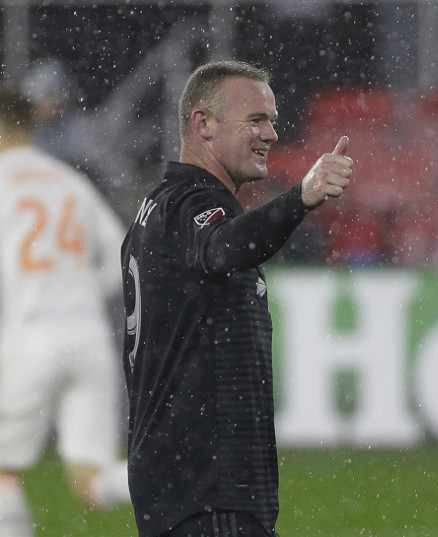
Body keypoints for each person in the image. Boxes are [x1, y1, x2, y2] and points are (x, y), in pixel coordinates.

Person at [120, 60, 352, 537]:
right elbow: (226, 247)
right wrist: (302, 197)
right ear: (203, 124)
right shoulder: (193, 204)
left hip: (179, 486)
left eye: (273, 120)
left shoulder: (159, 207)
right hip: (209, 489)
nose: (270, 134)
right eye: (255, 120)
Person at [0, 86, 131, 537]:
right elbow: (122, 254)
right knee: (92, 483)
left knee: (2, 473)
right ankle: (194, 475)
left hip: (28, 337)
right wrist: (80, 296)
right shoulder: (69, 181)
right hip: (89, 339)